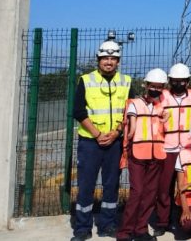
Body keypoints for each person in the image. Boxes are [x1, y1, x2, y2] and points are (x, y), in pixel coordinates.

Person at [72, 40, 133, 241]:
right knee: (86, 185)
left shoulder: (126, 82)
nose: (109, 62)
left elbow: (130, 113)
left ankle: (107, 225)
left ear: (118, 61)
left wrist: (116, 133)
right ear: (98, 59)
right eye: (105, 58)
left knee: (112, 184)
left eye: (113, 59)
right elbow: (79, 111)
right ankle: (82, 228)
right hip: (90, 142)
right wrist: (98, 135)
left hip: (115, 142)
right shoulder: (86, 80)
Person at [117, 68, 169, 241]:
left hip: (157, 155)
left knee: (150, 193)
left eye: (159, 87)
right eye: (153, 86)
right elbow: (131, 127)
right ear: (146, 85)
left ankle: (140, 230)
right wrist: (128, 135)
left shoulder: (164, 106)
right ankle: (125, 232)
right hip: (138, 153)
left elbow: (167, 130)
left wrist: (165, 121)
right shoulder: (134, 104)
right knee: (137, 192)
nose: (155, 89)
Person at [152, 62, 191, 236]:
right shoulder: (162, 97)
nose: (178, 84)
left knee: (186, 186)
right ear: (170, 81)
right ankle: (162, 221)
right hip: (168, 148)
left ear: (187, 82)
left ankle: (184, 218)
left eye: (182, 81)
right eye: (175, 81)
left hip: (187, 149)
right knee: (164, 187)